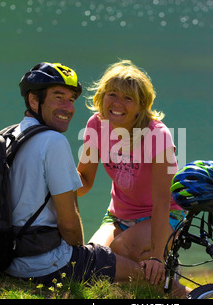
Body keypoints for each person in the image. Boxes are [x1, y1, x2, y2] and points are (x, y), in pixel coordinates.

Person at [4, 62, 144, 287]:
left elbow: (80, 183)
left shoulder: (12, 135)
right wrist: (81, 253)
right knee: (144, 274)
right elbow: (69, 225)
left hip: (10, 259)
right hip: (45, 264)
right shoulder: (54, 141)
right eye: (59, 98)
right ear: (33, 100)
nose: (68, 108)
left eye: (71, 100)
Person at [77, 60, 186, 286]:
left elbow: (162, 202)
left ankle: (174, 285)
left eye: (128, 98)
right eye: (112, 94)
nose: (118, 103)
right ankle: (161, 279)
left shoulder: (158, 135)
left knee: (119, 251)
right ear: (101, 97)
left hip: (163, 216)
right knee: (89, 260)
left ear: (141, 105)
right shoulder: (96, 125)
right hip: (118, 216)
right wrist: (52, 181)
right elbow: (84, 181)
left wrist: (157, 254)